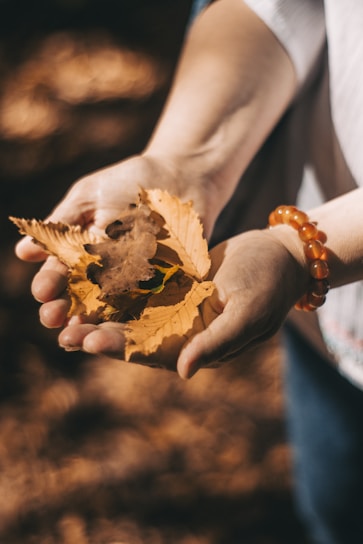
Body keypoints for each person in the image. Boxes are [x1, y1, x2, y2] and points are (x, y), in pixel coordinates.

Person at [14, 1, 363, 542]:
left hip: (310, 270)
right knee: (338, 508)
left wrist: (299, 252)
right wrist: (184, 160)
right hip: (329, 328)